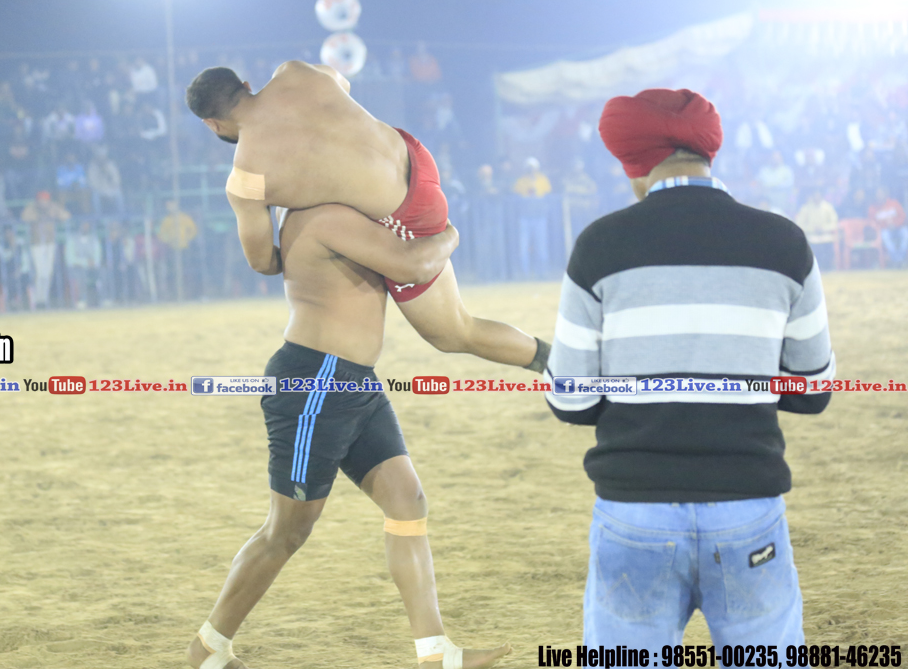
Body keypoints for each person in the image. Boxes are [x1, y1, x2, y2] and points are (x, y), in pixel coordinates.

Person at [548, 89, 834, 648]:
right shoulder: (785, 242)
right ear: (707, 153)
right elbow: (813, 389)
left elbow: (571, 399)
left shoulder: (599, 245)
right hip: (747, 505)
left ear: (634, 163)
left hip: (635, 510)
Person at [186, 204, 510, 669]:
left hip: (356, 381)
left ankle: (435, 653)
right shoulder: (325, 216)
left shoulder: (353, 213)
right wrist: (449, 232)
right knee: (287, 530)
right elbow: (413, 265)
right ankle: (209, 646)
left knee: (407, 500)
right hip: (314, 383)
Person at [185, 63, 549, 373]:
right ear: (246, 85)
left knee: (453, 333)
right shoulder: (293, 72)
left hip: (407, 213)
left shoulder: (247, 179)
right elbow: (341, 86)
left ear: (211, 124)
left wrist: (301, 217)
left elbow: (262, 262)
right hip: (414, 154)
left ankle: (557, 362)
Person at [21, 190, 70, 309]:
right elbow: (24, 217)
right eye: (41, 200)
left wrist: (54, 213)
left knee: (48, 273)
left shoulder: (53, 207)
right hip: (36, 244)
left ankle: (43, 299)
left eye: (45, 200)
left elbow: (66, 216)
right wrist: (38, 216)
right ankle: (37, 299)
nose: (43, 202)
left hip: (50, 243)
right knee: (40, 273)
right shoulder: (32, 208)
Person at [794, 187, 838, 271]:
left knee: (827, 246)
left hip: (826, 235)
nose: (817, 197)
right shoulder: (806, 208)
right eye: (815, 195)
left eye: (819, 195)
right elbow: (799, 224)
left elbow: (834, 223)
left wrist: (823, 228)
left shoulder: (828, 207)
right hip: (811, 235)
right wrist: (812, 228)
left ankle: (828, 267)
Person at [868, 185, 908, 268]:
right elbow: (872, 222)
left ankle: (899, 259)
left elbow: (902, 216)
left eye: (881, 193)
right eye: (878, 194)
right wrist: (885, 226)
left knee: (906, 234)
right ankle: (897, 260)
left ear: (885, 194)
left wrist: (895, 224)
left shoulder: (894, 203)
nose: (879, 195)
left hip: (898, 228)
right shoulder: (873, 208)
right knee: (885, 237)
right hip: (884, 230)